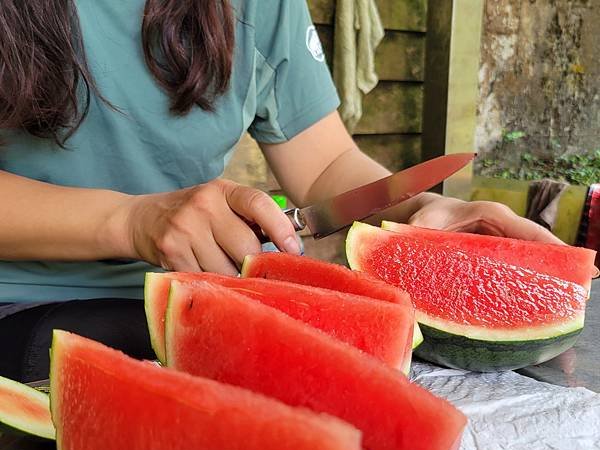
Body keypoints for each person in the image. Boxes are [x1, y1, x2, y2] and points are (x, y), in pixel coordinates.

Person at [0, 0, 560, 381]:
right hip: (26, 306)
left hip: (210, 298)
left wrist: (423, 210)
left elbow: (326, 167)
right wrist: (129, 221)